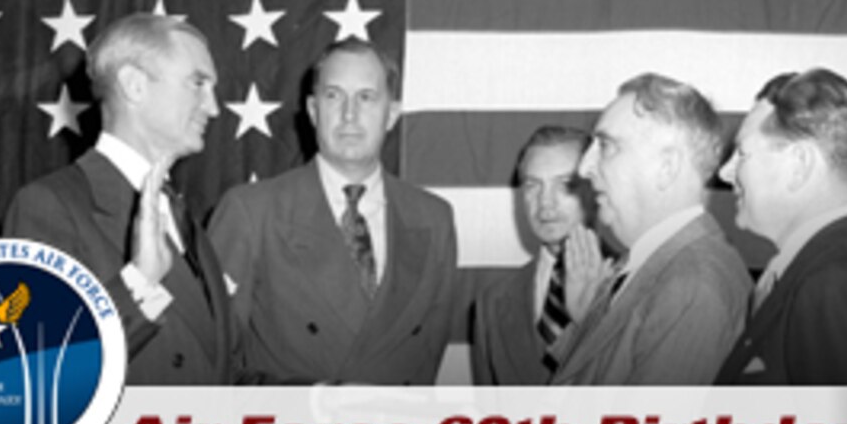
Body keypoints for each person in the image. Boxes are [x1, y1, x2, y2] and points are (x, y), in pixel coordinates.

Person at [4, 14, 244, 385]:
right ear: (134, 85)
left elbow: (218, 381)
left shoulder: (181, 216)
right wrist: (140, 282)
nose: (213, 107)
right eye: (197, 83)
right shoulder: (49, 206)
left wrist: (323, 396)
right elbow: (41, 372)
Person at [208, 38, 457, 385]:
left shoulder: (434, 218)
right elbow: (210, 360)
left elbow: (427, 357)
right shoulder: (251, 213)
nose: (349, 114)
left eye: (366, 97)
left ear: (392, 114)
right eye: (333, 96)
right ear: (313, 110)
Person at [715, 69, 847, 385]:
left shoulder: (837, 287)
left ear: (800, 165)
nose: (724, 172)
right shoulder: (833, 272)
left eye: (743, 154)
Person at [549, 73, 750, 385]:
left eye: (607, 146)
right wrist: (589, 319)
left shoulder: (693, 284)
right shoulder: (658, 265)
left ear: (666, 167)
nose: (584, 168)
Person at [472, 125, 600, 384]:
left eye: (565, 185)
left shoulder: (639, 285)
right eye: (533, 185)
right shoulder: (492, 302)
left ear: (597, 188)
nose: (545, 202)